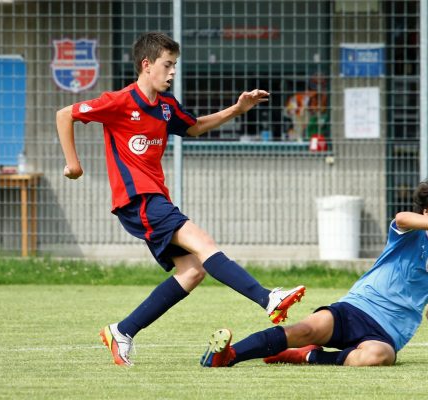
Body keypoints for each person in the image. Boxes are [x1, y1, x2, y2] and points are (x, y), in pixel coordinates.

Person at [55, 32, 305, 367]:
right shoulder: (119, 101)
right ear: (147, 65)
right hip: (137, 199)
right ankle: (267, 297)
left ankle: (122, 331)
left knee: (191, 271)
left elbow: (196, 127)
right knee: (203, 242)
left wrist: (238, 108)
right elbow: (64, 113)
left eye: (175, 65)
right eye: (167, 64)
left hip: (155, 198)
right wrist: (74, 163)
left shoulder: (165, 107)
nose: (173, 72)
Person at [200, 172, 428, 367]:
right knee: (306, 328)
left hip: (387, 333)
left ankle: (307, 357)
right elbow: (401, 217)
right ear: (426, 213)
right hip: (354, 309)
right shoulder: (410, 234)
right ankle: (230, 356)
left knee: (376, 357)